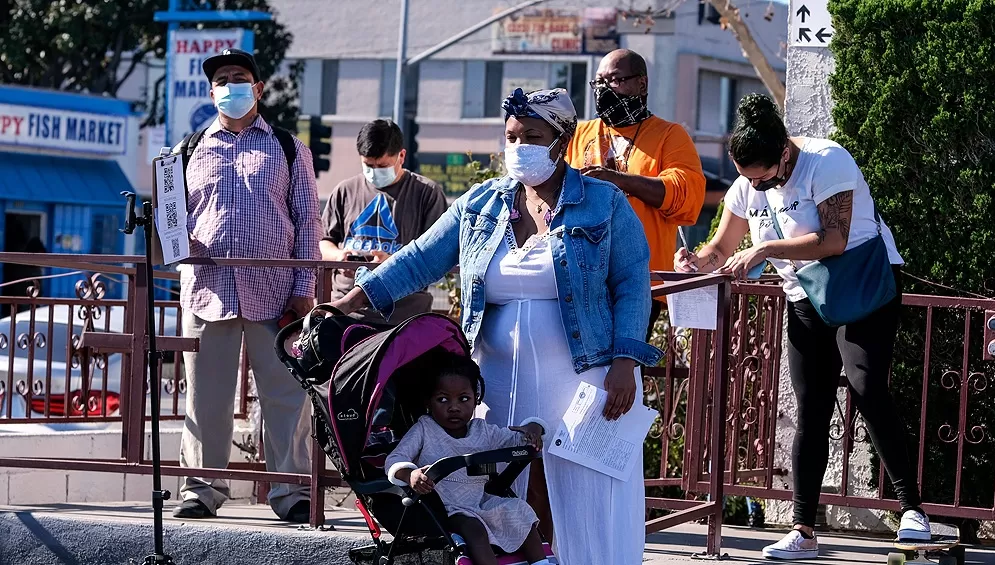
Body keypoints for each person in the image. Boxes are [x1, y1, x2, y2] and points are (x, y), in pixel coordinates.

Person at [327, 88, 662, 564]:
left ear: (561, 140)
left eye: (532, 136)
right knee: (504, 496)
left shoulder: (604, 203)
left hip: (587, 375)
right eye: (512, 136)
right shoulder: (481, 204)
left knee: (592, 494)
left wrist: (626, 361)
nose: (519, 145)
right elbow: (419, 258)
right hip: (498, 380)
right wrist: (349, 301)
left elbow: (632, 283)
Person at [675, 93, 930, 560]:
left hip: (860, 286)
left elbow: (833, 240)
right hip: (803, 296)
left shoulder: (826, 160)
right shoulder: (746, 186)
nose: (759, 185)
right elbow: (721, 245)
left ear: (785, 153)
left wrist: (766, 251)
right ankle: (803, 530)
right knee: (811, 406)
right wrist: (696, 260)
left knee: (866, 386)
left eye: (765, 176)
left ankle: (913, 510)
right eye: (749, 177)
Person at [173, 48, 321, 523]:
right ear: (211, 91)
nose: (230, 85)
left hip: (275, 291)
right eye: (221, 79)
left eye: (239, 77)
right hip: (207, 289)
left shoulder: (287, 146)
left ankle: (292, 491)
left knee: (284, 397)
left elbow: (307, 222)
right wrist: (180, 241)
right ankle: (202, 489)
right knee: (204, 396)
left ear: (258, 89)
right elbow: (171, 223)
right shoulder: (187, 149)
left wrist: (304, 288)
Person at [565, 48, 706, 339]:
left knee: (625, 371)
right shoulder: (578, 135)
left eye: (615, 80)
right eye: (599, 82)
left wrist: (620, 180)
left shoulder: (670, 135)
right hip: (582, 279)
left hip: (641, 282)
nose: (605, 90)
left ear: (641, 84)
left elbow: (685, 195)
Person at [384, 349, 549, 565]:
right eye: (443, 399)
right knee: (474, 528)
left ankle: (541, 562)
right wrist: (410, 474)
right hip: (446, 508)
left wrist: (533, 429)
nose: (454, 407)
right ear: (428, 402)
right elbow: (394, 459)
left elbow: (516, 440)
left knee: (519, 511)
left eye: (464, 399)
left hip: (480, 501)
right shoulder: (424, 429)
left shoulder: (482, 430)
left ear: (476, 399)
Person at [320, 119, 447, 326]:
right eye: (368, 165)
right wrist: (339, 257)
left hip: (403, 317)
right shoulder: (345, 190)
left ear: (402, 156)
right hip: (346, 313)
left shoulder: (427, 193)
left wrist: (392, 263)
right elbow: (324, 241)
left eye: (382, 166)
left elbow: (437, 256)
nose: (374, 172)